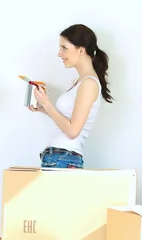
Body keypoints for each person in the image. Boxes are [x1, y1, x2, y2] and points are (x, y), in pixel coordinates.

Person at [29, 24, 114, 169]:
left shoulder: (88, 84)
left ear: (81, 50)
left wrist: (47, 104)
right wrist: (43, 108)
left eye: (64, 48)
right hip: (58, 157)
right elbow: (68, 120)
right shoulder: (80, 82)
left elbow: (72, 131)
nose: (59, 53)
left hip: (63, 158)